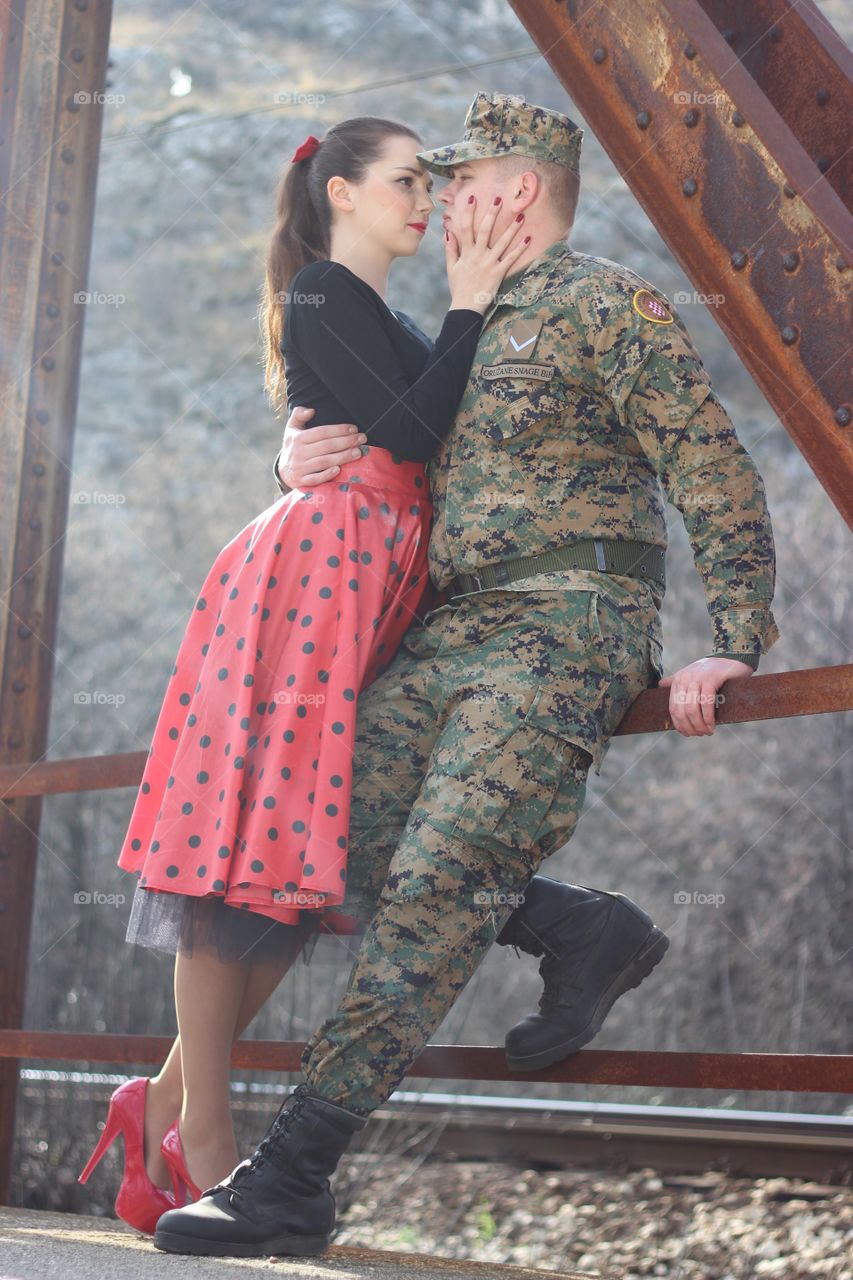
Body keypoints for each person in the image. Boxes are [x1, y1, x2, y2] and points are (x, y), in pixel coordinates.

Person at [150, 92, 780, 1259]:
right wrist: (292, 455)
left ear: (518, 191)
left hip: (568, 618)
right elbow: (379, 411)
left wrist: (733, 634)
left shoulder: (602, 304)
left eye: (460, 179)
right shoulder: (461, 318)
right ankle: (579, 925)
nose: (438, 201)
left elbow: (710, 463)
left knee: (441, 873)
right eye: (424, 182)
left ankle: (288, 1172)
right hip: (449, 633)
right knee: (319, 839)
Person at [77, 113, 530, 1235]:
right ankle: (205, 1137)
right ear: (339, 193)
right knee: (236, 849)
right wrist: (471, 308)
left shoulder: (380, 311)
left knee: (285, 853)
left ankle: (164, 1102)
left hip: (359, 587)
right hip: (308, 584)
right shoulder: (326, 294)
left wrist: (462, 321)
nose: (423, 200)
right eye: (405, 181)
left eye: (430, 181)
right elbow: (415, 436)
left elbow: (417, 434)